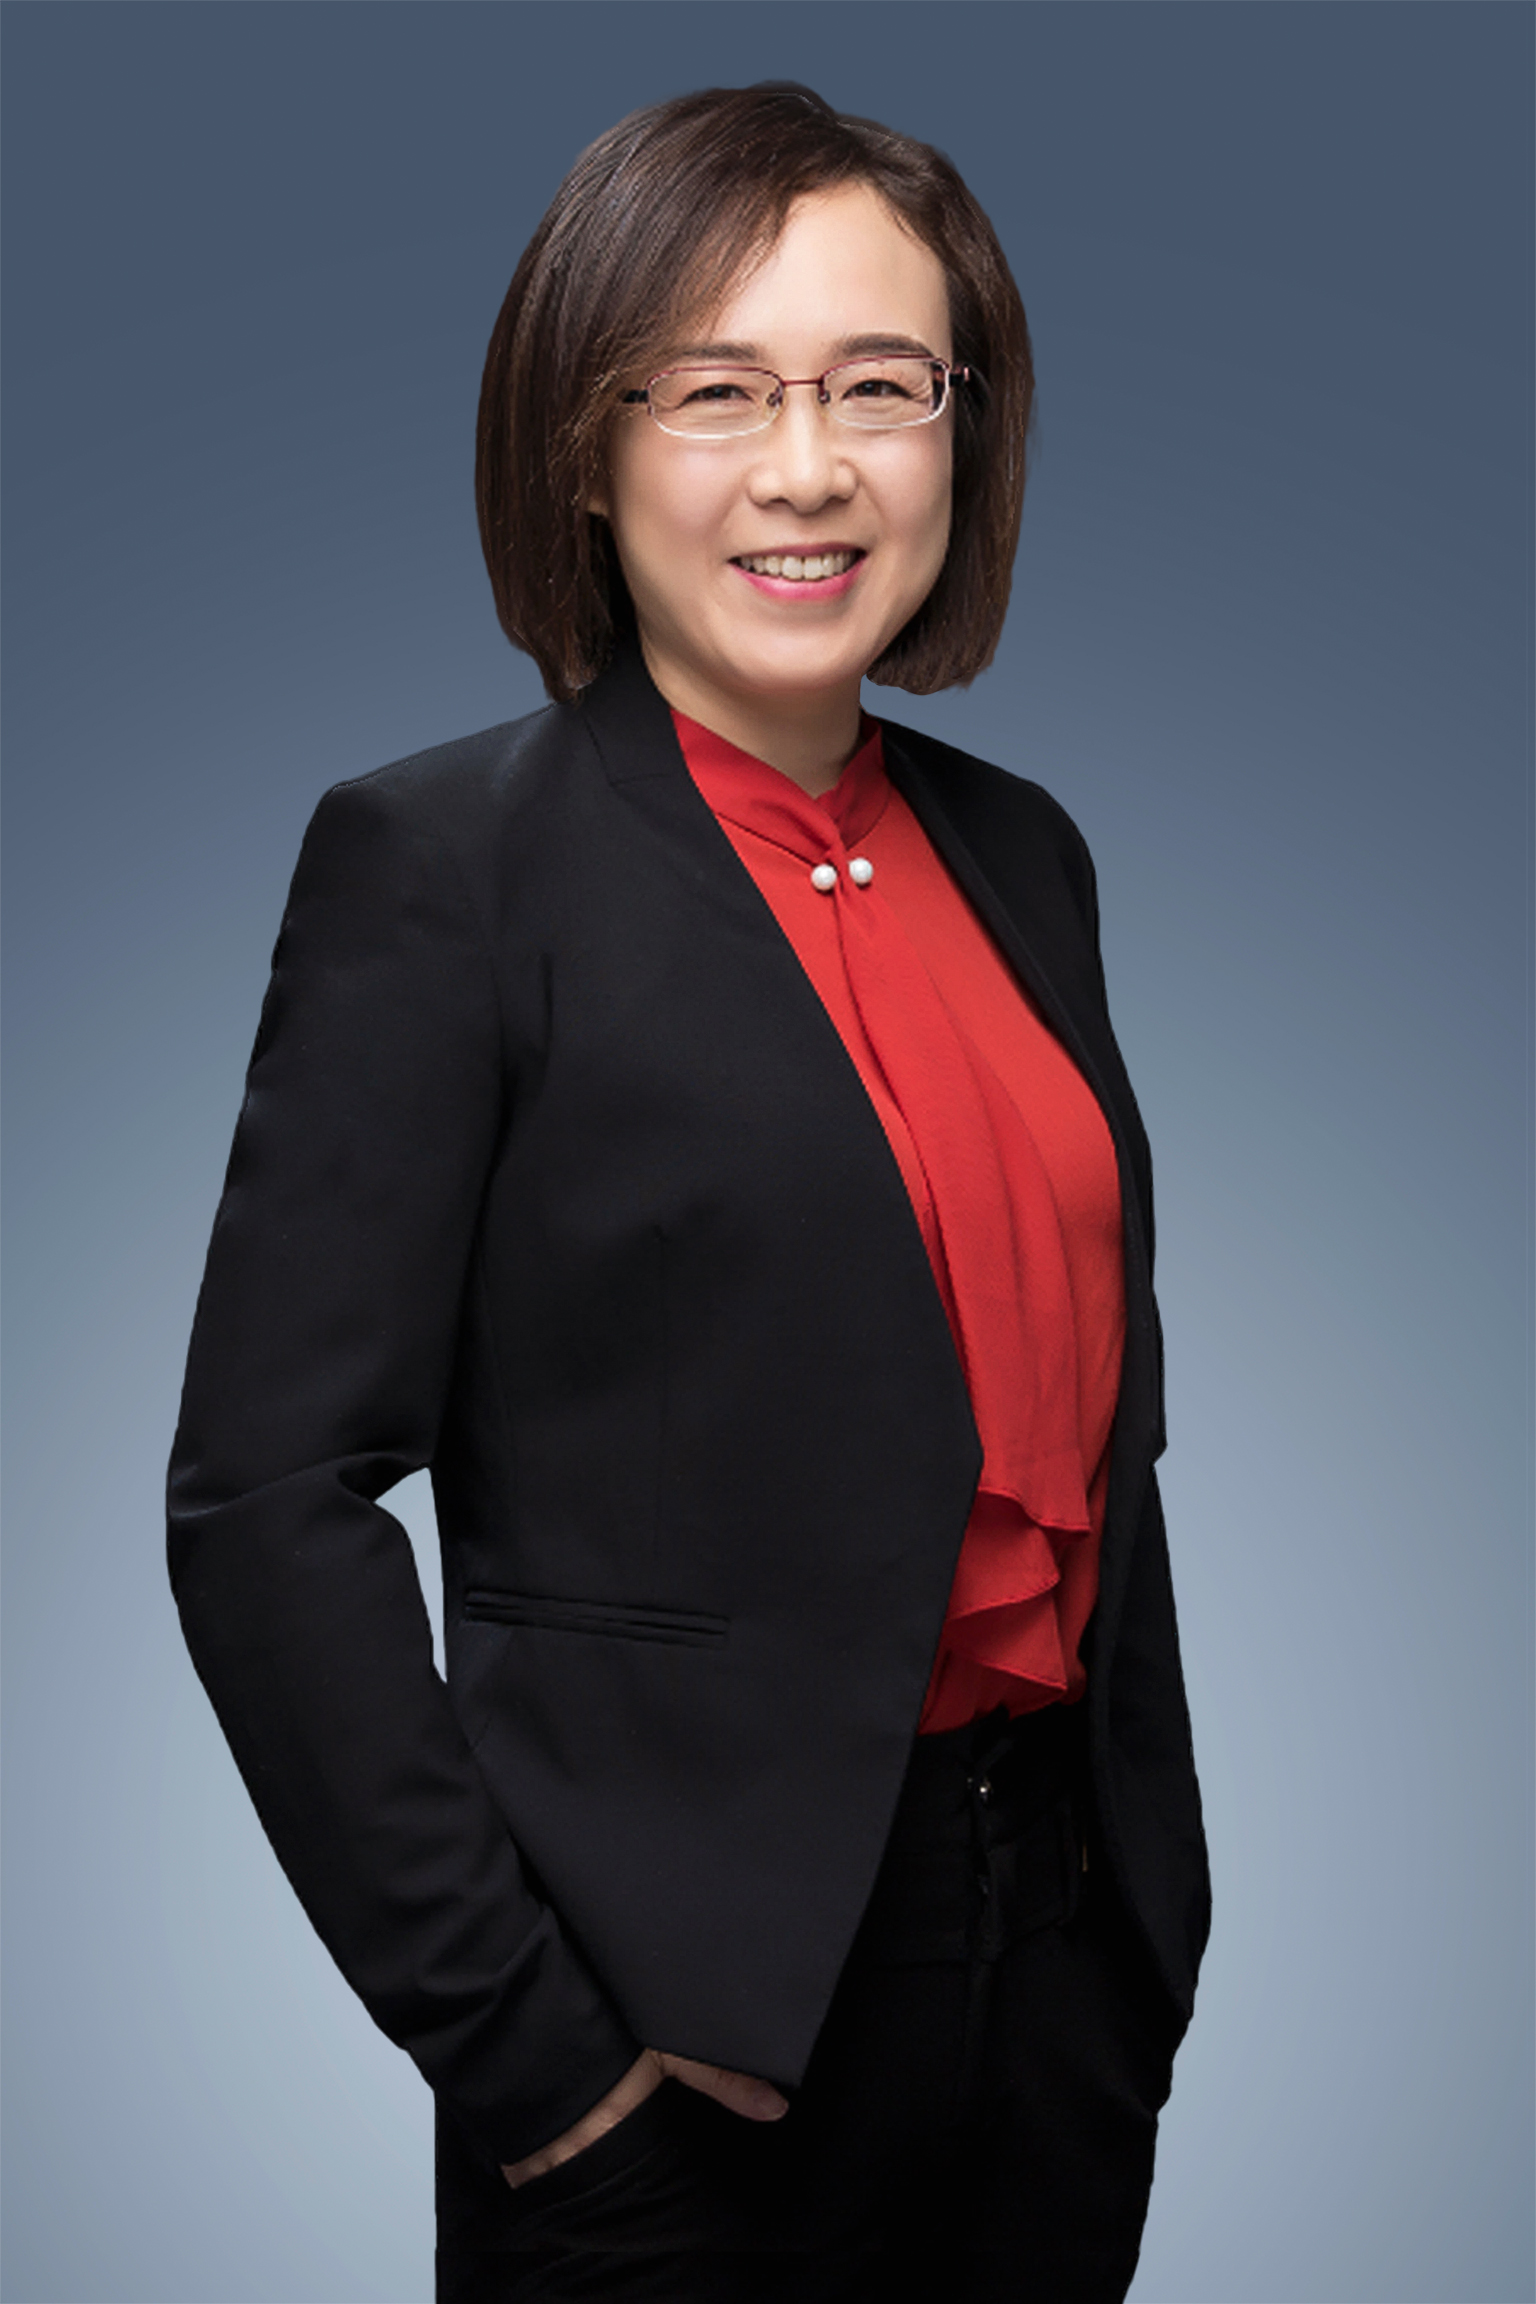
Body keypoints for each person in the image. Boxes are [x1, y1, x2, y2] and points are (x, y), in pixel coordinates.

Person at [168, 81, 1209, 2304]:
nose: (807, 467)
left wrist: (1140, 1943)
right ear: (584, 442)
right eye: (715, 389)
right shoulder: (442, 870)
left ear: (965, 430)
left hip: (1055, 1980)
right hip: (676, 2043)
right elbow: (264, 1504)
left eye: (881, 387)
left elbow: (1106, 1441)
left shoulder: (1026, 855)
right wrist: (538, 2074)